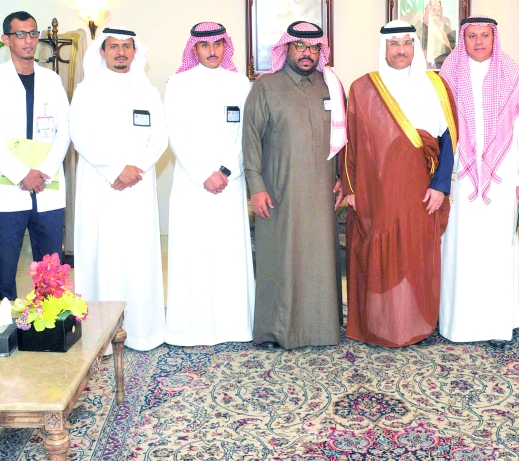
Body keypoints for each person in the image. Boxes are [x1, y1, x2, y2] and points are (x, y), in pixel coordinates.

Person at [341, 20, 456, 347]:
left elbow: (449, 139)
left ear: (415, 46)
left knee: (416, 255)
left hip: (421, 189)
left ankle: (417, 324)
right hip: (376, 190)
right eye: (394, 44)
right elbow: (350, 143)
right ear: (384, 48)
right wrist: (350, 189)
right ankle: (380, 325)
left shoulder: (436, 85)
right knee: (380, 256)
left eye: (407, 43)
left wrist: (441, 186)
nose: (401, 50)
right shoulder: (362, 88)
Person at [242, 21, 347, 349]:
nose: (307, 53)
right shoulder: (266, 86)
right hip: (280, 191)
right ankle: (278, 330)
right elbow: (251, 139)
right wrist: (256, 186)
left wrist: (344, 180)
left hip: (323, 190)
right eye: (300, 46)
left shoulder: (330, 85)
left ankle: (322, 329)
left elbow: (344, 138)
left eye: (314, 47)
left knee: (320, 259)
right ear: (286, 48)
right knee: (282, 260)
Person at [438, 16, 519, 347]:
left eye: (484, 35)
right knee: (460, 248)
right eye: (472, 36)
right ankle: (458, 324)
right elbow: (439, 130)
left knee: (497, 249)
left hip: (503, 176)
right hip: (460, 177)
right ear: (463, 40)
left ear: (494, 38)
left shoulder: (511, 74)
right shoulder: (449, 74)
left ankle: (497, 324)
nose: (479, 41)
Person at [70, 26, 168, 351]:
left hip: (138, 185)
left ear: (135, 52)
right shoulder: (87, 90)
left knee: (137, 255)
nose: (121, 52)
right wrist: (115, 170)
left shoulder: (148, 92)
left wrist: (135, 168)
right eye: (114, 46)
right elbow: (80, 136)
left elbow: (160, 138)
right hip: (100, 185)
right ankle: (99, 334)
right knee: (102, 253)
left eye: (127, 46)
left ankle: (142, 331)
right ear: (102, 51)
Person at [163, 22, 254, 345]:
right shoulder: (178, 84)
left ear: (225, 46)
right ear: (195, 49)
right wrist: (204, 173)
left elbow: (247, 133)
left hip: (230, 182)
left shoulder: (240, 83)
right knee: (194, 254)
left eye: (218, 44)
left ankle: (234, 326)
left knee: (228, 255)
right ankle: (191, 328)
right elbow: (175, 133)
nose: (212, 51)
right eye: (205, 45)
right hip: (193, 184)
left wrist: (225, 171)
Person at [0, 11, 71, 301]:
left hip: (47, 187)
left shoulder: (51, 79)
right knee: (4, 273)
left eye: (33, 33)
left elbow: (65, 129)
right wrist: (21, 173)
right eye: (20, 34)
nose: (28, 40)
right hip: (7, 189)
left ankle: (50, 323)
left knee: (50, 273)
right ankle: (3, 325)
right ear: (6, 39)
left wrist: (43, 171)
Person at [405, 0, 456, 69]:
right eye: (433, 9)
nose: (436, 12)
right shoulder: (416, 26)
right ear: (426, 9)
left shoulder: (446, 29)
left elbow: (453, 53)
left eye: (438, 9)